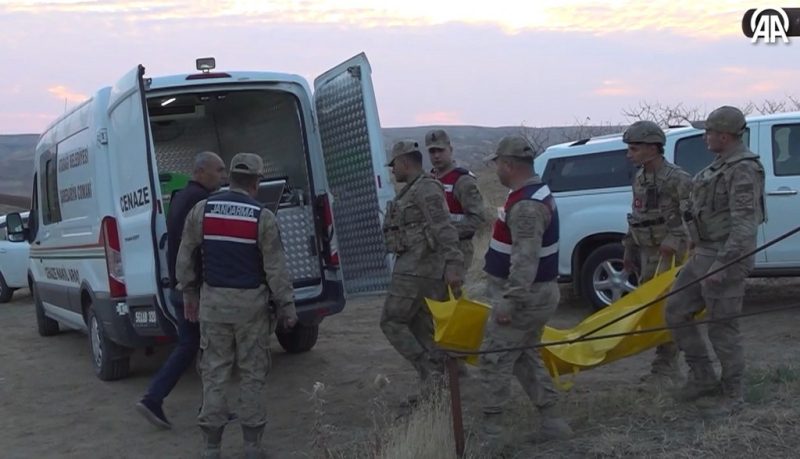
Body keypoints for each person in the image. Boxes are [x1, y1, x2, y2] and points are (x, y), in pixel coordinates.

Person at [176, 153, 298, 459]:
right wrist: (286, 306)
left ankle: (211, 447)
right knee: (252, 375)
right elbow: (276, 269)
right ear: (257, 181)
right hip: (251, 308)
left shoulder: (202, 210)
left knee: (214, 374)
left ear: (230, 177)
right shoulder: (262, 217)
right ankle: (252, 446)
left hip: (213, 305)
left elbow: (185, 254)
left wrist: (189, 292)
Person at [665, 105, 765, 415]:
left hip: (727, 256)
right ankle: (703, 378)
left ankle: (733, 395)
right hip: (705, 252)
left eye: (708, 131)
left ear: (724, 135)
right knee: (676, 310)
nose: (704, 137)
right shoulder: (719, 165)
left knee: (722, 327)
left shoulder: (743, 169)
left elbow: (744, 225)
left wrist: (723, 264)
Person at [477, 135, 572, 450]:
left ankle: (491, 436)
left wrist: (510, 300)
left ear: (508, 164)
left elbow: (525, 259)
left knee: (494, 358)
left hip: (525, 296)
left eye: (497, 164)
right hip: (535, 294)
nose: (495, 170)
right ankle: (552, 421)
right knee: (525, 358)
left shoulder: (527, 205)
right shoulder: (529, 193)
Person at [135, 151, 226, 429]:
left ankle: (162, 399)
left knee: (193, 346)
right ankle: (158, 398)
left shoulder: (181, 197)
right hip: (194, 289)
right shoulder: (199, 201)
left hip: (182, 286)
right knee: (208, 348)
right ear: (201, 171)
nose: (223, 176)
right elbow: (203, 248)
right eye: (219, 170)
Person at [381, 140, 464, 400]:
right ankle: (435, 386)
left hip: (418, 271)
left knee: (391, 321)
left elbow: (443, 227)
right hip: (415, 268)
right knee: (420, 326)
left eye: (395, 165)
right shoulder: (412, 190)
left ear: (405, 162)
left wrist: (453, 263)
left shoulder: (426, 188)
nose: (393, 171)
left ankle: (429, 369)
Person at [621, 121, 692, 385]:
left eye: (634, 148)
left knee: (669, 306)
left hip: (670, 253)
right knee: (652, 308)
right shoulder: (640, 177)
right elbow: (637, 215)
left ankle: (667, 366)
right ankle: (663, 364)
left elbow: (691, 216)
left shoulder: (678, 179)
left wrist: (675, 239)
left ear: (652, 148)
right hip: (647, 250)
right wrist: (628, 248)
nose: (630, 154)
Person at [425, 129, 488, 271]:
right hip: (432, 252)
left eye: (440, 150)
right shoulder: (429, 180)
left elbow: (477, 218)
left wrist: (447, 234)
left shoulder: (463, 180)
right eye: (432, 151)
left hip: (458, 250)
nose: (436, 155)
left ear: (450, 149)